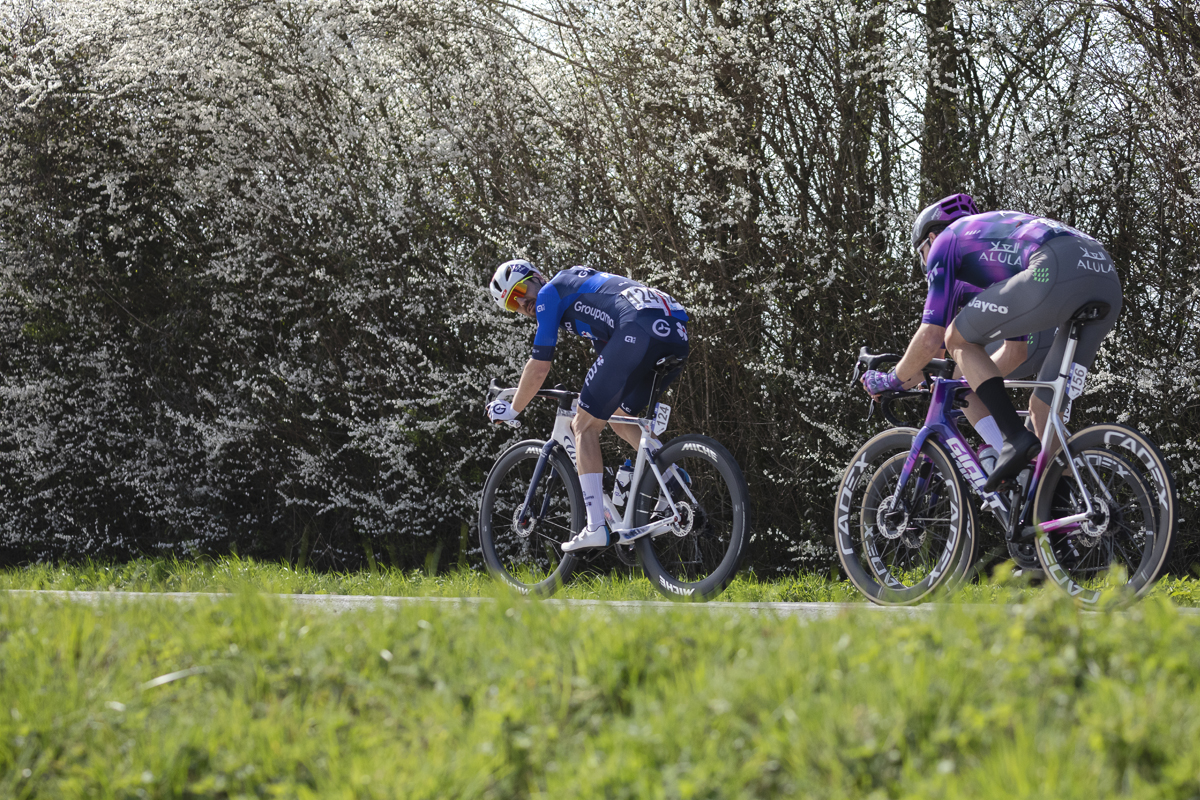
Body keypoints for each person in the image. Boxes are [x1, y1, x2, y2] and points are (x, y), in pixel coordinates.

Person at [861, 193, 1122, 490]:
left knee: (956, 337)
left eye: (921, 253)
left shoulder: (945, 242)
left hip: (1054, 268)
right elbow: (1015, 352)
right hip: (1105, 276)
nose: (925, 263)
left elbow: (933, 337)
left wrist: (891, 380)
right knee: (1043, 413)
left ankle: (1013, 438)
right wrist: (962, 380)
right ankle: (1060, 520)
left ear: (930, 238)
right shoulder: (993, 251)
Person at [486, 259, 690, 551]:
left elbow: (540, 365)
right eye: (512, 305)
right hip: (675, 327)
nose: (522, 304)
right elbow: (610, 361)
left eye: (519, 291)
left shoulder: (549, 294)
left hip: (638, 326)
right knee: (618, 417)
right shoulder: (580, 291)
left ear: (537, 277)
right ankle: (671, 480)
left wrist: (514, 407)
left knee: (582, 424)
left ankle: (595, 526)